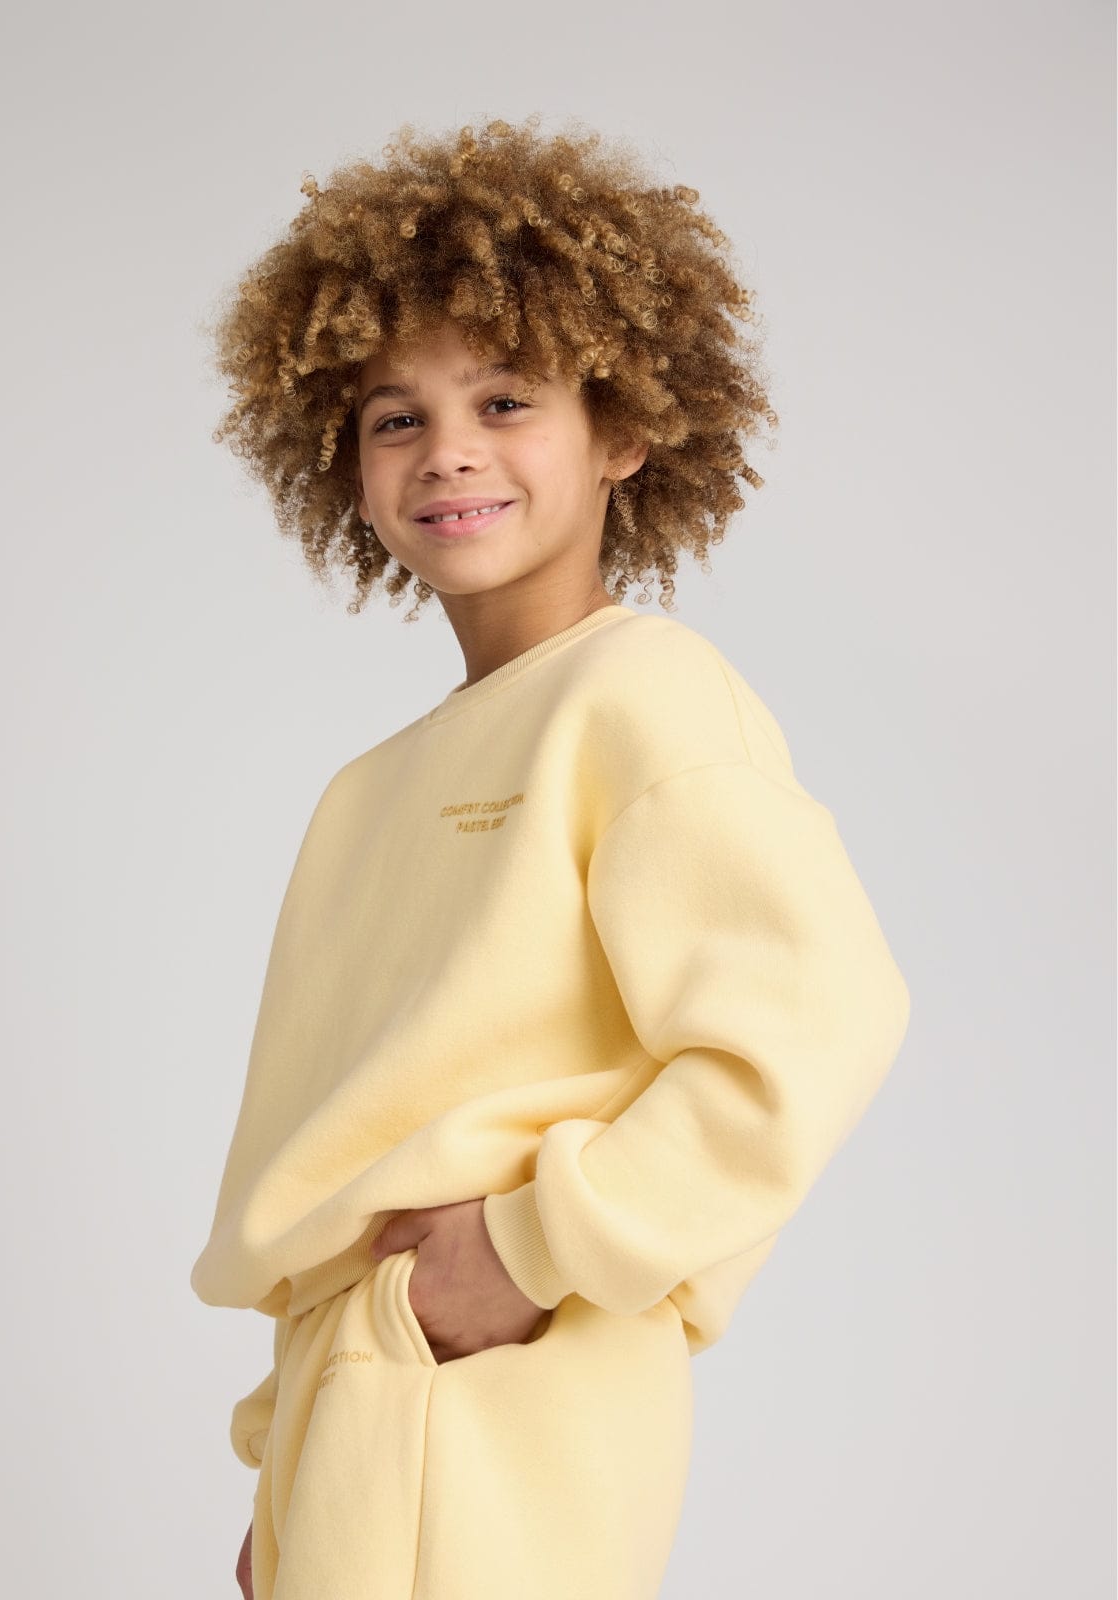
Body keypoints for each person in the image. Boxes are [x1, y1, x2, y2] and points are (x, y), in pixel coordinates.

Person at [190, 115, 912, 1600]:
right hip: (350, 1410)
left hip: (506, 1384)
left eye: (506, 399)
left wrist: (530, 1249)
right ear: (346, 463)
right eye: (394, 417)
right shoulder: (364, 795)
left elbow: (810, 1029)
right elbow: (333, 1156)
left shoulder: (642, 697)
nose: (447, 449)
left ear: (624, 429)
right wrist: (285, 1460)